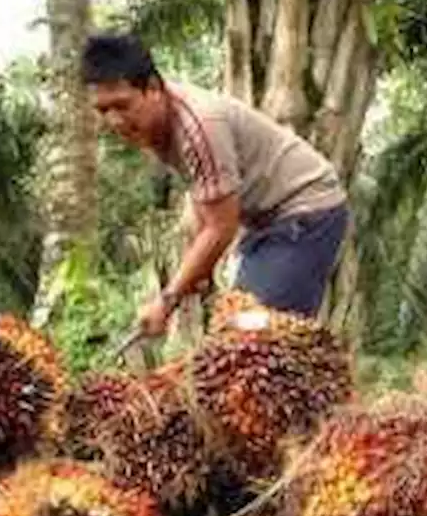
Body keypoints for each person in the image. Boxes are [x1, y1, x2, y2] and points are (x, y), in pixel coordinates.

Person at [80, 32, 350, 336]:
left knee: (253, 338)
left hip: (305, 211)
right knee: (240, 334)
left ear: (153, 88)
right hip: (266, 222)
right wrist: (199, 269)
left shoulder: (199, 126)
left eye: (122, 105)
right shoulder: (156, 125)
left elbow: (221, 227)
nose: (114, 121)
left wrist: (167, 301)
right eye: (103, 111)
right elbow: (204, 197)